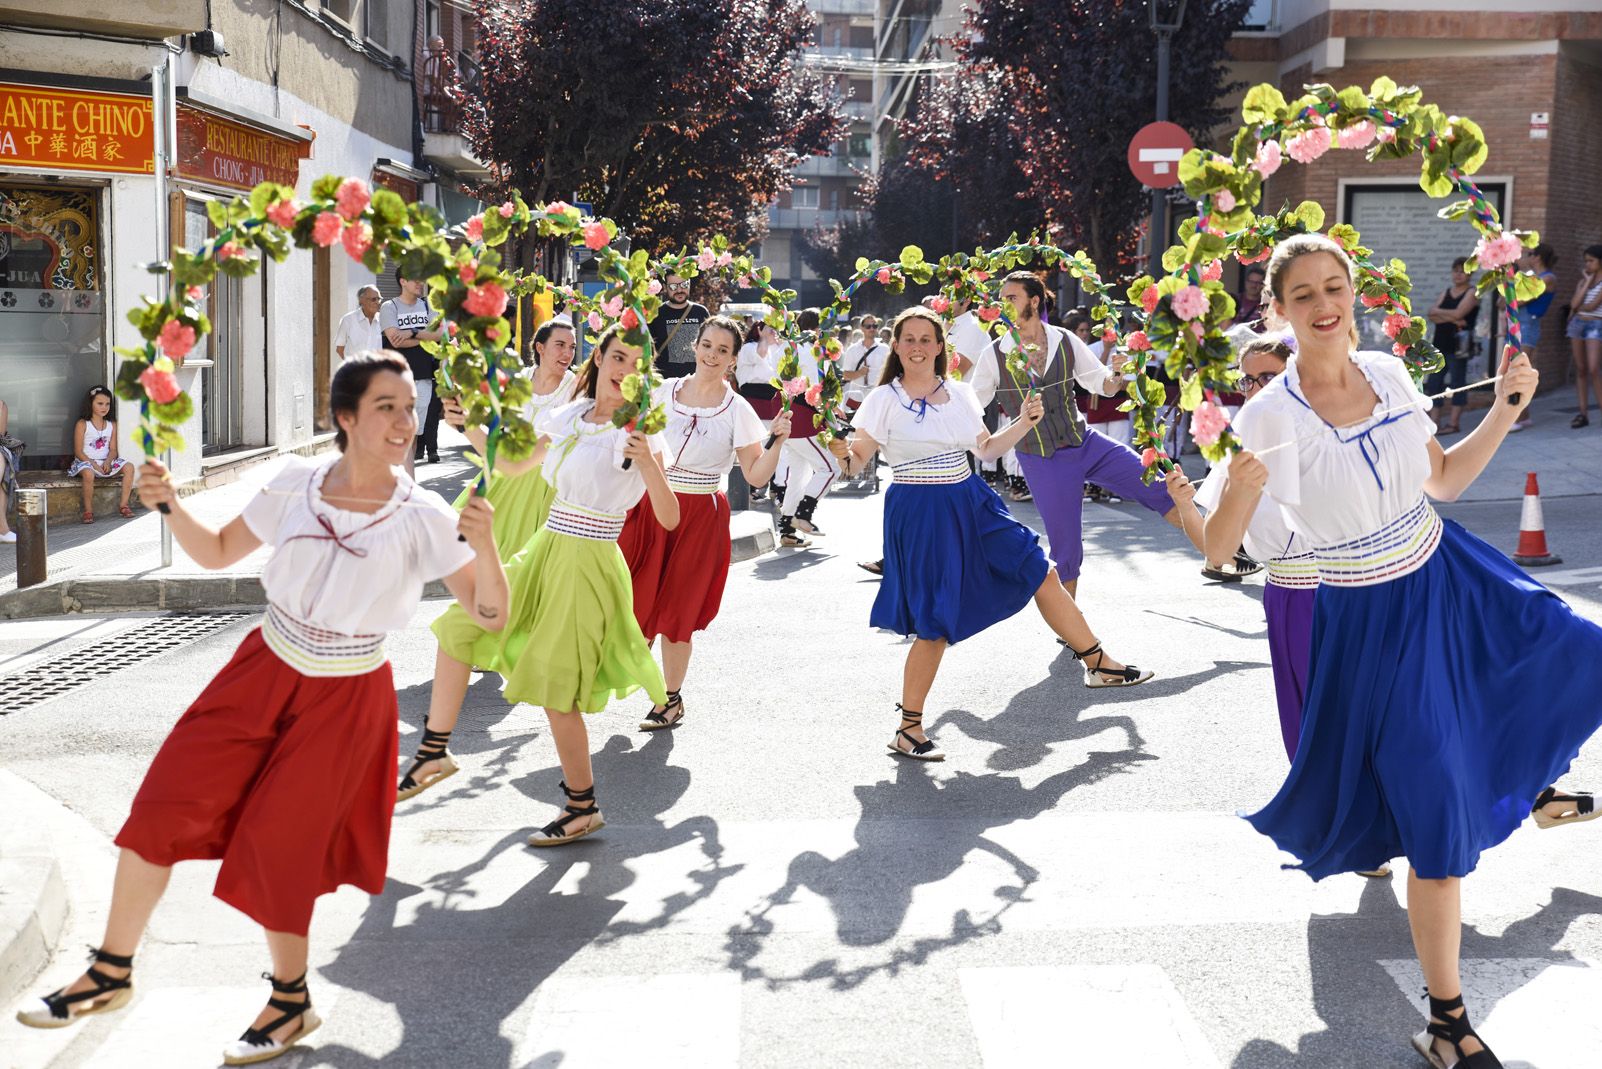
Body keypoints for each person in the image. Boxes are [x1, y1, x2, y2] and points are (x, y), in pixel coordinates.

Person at [16, 352, 508, 1065]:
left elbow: (490, 614)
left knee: (283, 846)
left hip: (346, 693)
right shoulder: (293, 484)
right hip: (264, 666)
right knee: (161, 805)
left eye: (410, 407)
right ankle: (109, 970)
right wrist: (171, 505)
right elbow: (217, 552)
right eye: (388, 407)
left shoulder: (426, 515)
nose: (407, 421)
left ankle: (289, 999)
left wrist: (486, 547)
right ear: (346, 418)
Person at [1227, 233, 1602, 1068]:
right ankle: (1447, 1020)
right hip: (1365, 616)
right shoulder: (1267, 413)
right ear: (1280, 310)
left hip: (1449, 577)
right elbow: (1220, 547)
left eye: (1335, 287)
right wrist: (1240, 491)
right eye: (1303, 295)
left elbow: (1444, 483)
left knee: (1583, 651)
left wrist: (1507, 406)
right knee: (1433, 817)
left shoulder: (1391, 374)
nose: (1325, 306)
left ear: (1352, 290)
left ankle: (1533, 786)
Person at [828, 308, 1153, 762]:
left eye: (927, 339)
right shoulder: (883, 399)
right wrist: (843, 453)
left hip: (970, 499)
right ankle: (908, 727)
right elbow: (856, 463)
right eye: (909, 339)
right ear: (897, 346)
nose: (918, 347)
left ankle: (1098, 663)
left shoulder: (959, 393)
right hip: (920, 511)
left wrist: (1023, 422)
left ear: (941, 347)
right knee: (934, 621)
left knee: (1039, 570)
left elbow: (986, 448)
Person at [408, 326, 677, 846]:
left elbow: (667, 518)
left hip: (590, 562)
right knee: (459, 626)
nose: (623, 369)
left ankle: (581, 807)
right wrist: (467, 427)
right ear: (598, 359)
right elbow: (511, 463)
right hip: (545, 548)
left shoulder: (641, 432)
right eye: (617, 356)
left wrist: (646, 461)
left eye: (635, 363)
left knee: (557, 689)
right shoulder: (570, 417)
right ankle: (436, 752)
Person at [968, 272, 1205, 597]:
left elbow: (1104, 385)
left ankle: (1222, 550)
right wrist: (982, 438)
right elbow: (970, 405)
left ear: (1034, 301)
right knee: (1066, 547)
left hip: (1085, 442)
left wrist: (1120, 372)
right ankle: (1071, 626)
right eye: (1003, 299)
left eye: (1012, 298)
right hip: (1040, 457)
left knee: (1161, 490)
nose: (1004, 305)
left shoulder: (1065, 339)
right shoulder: (994, 354)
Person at [619, 316, 792, 729]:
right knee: (631, 601)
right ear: (694, 346)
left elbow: (754, 476)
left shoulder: (738, 410)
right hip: (650, 507)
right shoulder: (662, 392)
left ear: (733, 360)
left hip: (699, 517)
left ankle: (670, 700)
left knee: (679, 614)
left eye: (723, 351)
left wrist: (778, 441)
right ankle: (621, 674)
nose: (712, 355)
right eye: (707, 345)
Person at [775, 308, 840, 547]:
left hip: (786, 413)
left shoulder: (784, 346)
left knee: (798, 476)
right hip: (803, 415)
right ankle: (804, 515)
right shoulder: (813, 350)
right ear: (817, 328)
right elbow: (818, 386)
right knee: (831, 469)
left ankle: (787, 530)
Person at [380, 269, 444, 470]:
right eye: (415, 280)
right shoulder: (389, 307)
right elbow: (395, 340)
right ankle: (393, 478)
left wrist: (411, 332)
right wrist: (423, 337)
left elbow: (439, 335)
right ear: (403, 281)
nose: (420, 283)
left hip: (424, 377)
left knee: (414, 433)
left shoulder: (428, 305)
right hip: (396, 378)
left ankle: (408, 481)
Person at [1423, 258, 1480, 436]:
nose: (1458, 274)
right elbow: (1431, 314)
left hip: (1459, 346)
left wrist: (1445, 314)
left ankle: (1454, 423)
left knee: (1457, 383)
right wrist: (1454, 318)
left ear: (1470, 273)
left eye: (1462, 271)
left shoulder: (1473, 292)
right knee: (1434, 383)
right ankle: (1434, 422)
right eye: (1455, 270)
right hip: (1440, 343)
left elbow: (1460, 313)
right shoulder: (1447, 291)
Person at [69, 385, 137, 524]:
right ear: (90, 403)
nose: (104, 407)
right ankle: (88, 511)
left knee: (129, 467)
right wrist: (93, 464)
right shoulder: (83, 424)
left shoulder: (112, 424)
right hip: (85, 462)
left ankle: (124, 505)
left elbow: (113, 450)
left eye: (107, 404)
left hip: (105, 461)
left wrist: (107, 462)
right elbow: (78, 451)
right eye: (100, 403)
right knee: (88, 473)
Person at [1509, 243, 1557, 432]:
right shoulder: (1531, 278)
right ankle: (1525, 416)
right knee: (1517, 369)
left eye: (1529, 254)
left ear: (1537, 257)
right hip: (1518, 325)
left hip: (1528, 326)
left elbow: (1520, 300)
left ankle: (1517, 418)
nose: (1526, 257)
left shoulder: (1548, 278)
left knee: (1518, 370)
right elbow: (1503, 302)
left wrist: (1512, 292)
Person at [1566, 243, 1602, 429]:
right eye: (1585, 261)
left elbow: (1592, 306)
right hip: (1578, 325)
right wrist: (1587, 281)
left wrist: (1578, 307)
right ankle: (1583, 413)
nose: (1587, 264)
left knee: (1594, 368)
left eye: (1591, 261)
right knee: (1580, 369)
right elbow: (1573, 304)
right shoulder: (1583, 282)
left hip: (1596, 325)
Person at [648, 273, 710, 378]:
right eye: (673, 286)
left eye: (684, 285)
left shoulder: (701, 312)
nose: (679, 290)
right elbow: (648, 349)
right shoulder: (656, 313)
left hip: (696, 382)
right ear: (665, 287)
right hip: (665, 383)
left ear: (689, 284)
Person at [333, 285, 383, 363]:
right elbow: (340, 349)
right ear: (361, 301)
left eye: (379, 299)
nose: (377, 302)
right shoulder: (348, 320)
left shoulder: (383, 320)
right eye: (373, 299)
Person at [0, 397, 17, 544]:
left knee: (2, 461)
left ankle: (3, 529)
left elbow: (0, 436)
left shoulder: (1, 406)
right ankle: (2, 529)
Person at [1233, 265, 1267, 330]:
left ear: (1263, 285)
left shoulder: (1266, 305)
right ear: (1245, 282)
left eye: (1258, 283)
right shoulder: (1234, 300)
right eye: (1251, 281)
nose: (1254, 285)